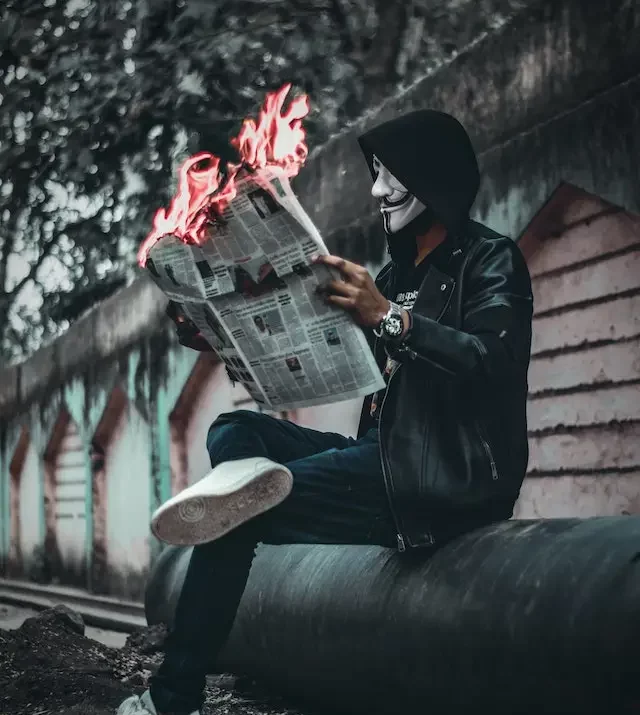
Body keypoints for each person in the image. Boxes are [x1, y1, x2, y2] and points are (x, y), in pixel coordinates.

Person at [117, 109, 533, 715]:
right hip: (380, 458)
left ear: (434, 179)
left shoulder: (490, 261)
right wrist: (223, 335)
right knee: (234, 429)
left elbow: (488, 363)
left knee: (237, 513)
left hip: (441, 476)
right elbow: (338, 358)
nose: (377, 191)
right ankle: (244, 495)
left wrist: (388, 315)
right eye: (375, 174)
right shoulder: (394, 272)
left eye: (391, 176)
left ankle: (173, 697)